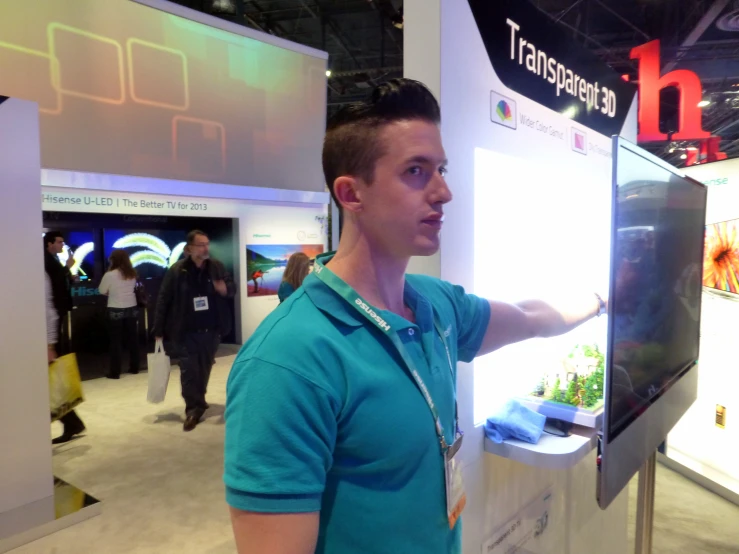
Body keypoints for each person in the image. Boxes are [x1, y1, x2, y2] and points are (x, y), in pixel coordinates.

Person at [223, 79, 606, 554]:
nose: (444, 192)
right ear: (351, 194)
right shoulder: (287, 361)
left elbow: (531, 317)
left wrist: (601, 299)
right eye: (416, 171)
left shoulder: (435, 305)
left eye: (441, 168)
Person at [153, 230, 236, 432]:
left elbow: (231, 288)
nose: (205, 248)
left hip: (211, 330)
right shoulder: (177, 270)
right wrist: (158, 328)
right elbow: (164, 299)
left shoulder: (216, 267)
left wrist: (223, 288)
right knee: (189, 370)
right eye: (201, 244)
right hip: (185, 331)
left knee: (204, 368)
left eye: (207, 244)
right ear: (189, 249)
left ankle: (199, 400)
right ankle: (193, 409)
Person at [43, 231, 86, 444]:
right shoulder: (45, 261)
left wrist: (50, 342)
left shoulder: (47, 263)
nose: (62, 244)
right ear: (49, 243)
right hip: (47, 327)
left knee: (49, 380)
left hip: (47, 328)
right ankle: (72, 422)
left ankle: (71, 422)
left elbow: (50, 304)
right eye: (59, 241)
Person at [98, 249, 140, 379]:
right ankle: (134, 367)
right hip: (131, 308)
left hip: (115, 308)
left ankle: (115, 372)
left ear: (113, 260)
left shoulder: (110, 275)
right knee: (133, 339)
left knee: (116, 341)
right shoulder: (132, 274)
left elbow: (101, 290)